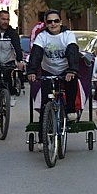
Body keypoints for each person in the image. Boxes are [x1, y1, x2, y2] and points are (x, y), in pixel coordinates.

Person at [26, 9, 79, 144]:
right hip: (48, 70)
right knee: (45, 104)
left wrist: (72, 70)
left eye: (56, 21)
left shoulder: (68, 35)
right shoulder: (42, 36)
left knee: (72, 83)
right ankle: (42, 139)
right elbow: (36, 54)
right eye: (50, 22)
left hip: (65, 69)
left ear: (60, 22)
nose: (53, 24)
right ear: (46, 23)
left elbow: (73, 52)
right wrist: (32, 71)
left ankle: (71, 110)